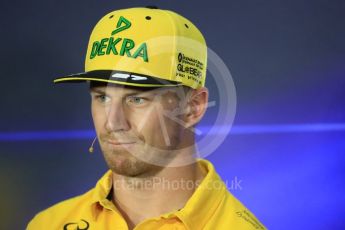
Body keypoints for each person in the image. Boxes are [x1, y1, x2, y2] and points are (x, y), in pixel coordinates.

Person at [27, 6, 266, 230]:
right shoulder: (50, 223)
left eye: (137, 99)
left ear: (193, 107)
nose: (112, 122)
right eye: (102, 97)